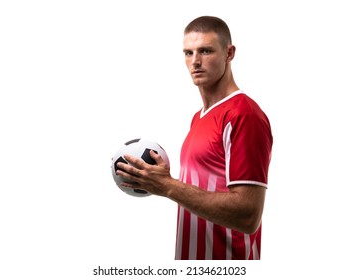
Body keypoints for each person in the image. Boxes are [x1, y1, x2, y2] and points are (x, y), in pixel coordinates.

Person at [116, 16, 273, 260]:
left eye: (206, 51)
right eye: (188, 53)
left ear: (229, 53)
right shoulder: (198, 118)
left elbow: (248, 216)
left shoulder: (244, 114)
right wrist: (161, 181)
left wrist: (167, 185)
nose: (195, 62)